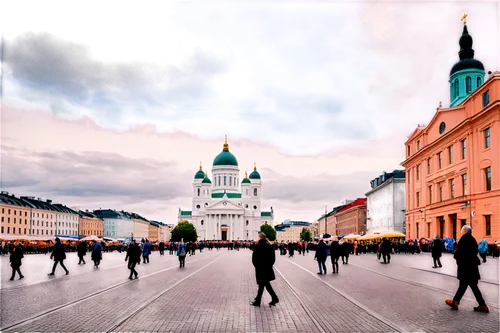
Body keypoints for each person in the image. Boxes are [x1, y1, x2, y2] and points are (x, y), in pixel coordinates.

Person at [445, 225, 489, 313]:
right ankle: (482, 305)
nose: (460, 232)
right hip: (472, 267)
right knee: (470, 286)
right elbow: (474, 252)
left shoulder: (463, 240)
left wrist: (456, 256)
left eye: (461, 230)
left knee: (465, 285)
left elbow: (459, 253)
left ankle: (456, 302)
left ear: (465, 231)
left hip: (465, 267)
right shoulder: (473, 240)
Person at [250, 232, 279, 307]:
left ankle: (263, 300)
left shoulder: (258, 246)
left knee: (263, 284)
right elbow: (273, 258)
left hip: (260, 269)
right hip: (267, 268)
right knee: (263, 284)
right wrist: (269, 265)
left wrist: (257, 266)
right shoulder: (269, 246)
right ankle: (259, 300)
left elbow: (254, 259)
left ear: (260, 238)